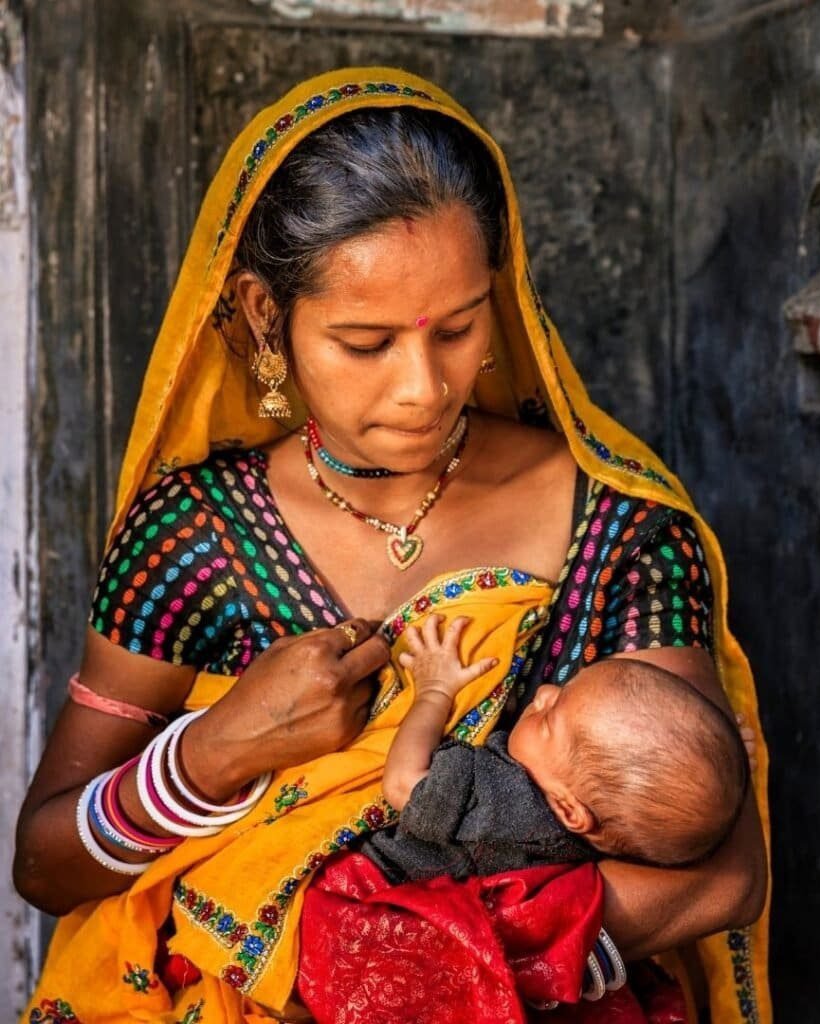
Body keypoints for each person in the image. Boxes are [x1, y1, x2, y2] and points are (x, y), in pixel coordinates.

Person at [13, 68, 770, 1024]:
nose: (423, 387)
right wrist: (216, 751)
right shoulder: (193, 540)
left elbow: (724, 876)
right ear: (262, 315)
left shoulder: (616, 531)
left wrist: (435, 968)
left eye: (457, 329)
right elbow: (45, 867)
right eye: (366, 343)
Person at [360, 613, 750, 883]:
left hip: (377, 883)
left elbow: (402, 786)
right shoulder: (593, 843)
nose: (544, 693)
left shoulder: (500, 795)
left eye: (548, 718)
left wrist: (434, 692)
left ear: (568, 808)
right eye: (561, 691)